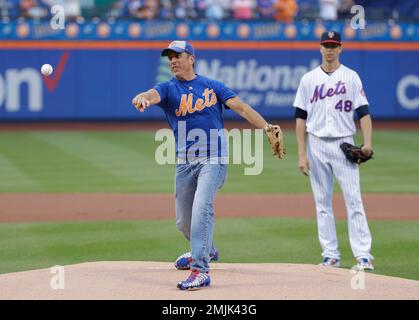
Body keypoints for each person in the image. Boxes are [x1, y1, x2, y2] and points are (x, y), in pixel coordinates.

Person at [132, 40, 283, 290]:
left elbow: (242, 108)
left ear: (191, 58)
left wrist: (267, 127)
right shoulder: (168, 88)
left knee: (202, 208)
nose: (172, 61)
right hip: (184, 162)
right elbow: (152, 94)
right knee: (183, 221)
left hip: (214, 158)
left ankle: (200, 269)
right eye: (169, 57)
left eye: (177, 56)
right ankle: (206, 249)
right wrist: (143, 97)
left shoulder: (212, 87)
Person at [293, 31, 374, 271]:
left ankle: (363, 256)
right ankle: (330, 255)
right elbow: (300, 117)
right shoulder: (308, 79)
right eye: (326, 45)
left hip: (343, 142)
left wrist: (367, 142)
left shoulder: (351, 77)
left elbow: (364, 113)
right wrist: (301, 153)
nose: (329, 49)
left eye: (333, 45)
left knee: (354, 200)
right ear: (320, 48)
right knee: (322, 203)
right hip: (316, 143)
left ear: (341, 48)